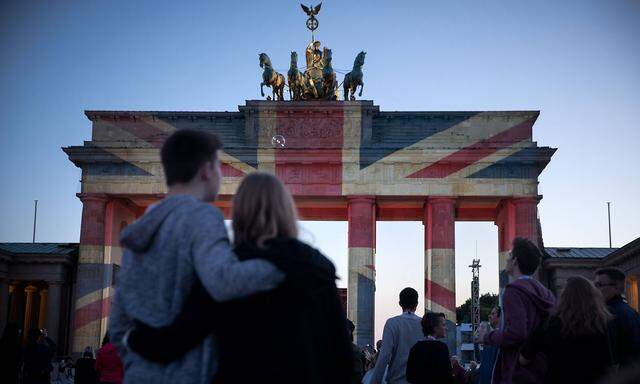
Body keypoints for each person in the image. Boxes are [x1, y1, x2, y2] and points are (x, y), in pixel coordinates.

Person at [125, 172, 353, 384]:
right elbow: (340, 356)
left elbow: (175, 340)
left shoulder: (225, 268)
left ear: (240, 212)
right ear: (286, 211)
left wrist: (130, 335)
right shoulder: (317, 268)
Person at [108, 130, 284, 383]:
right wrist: (284, 263)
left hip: (139, 375)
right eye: (219, 167)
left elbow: (117, 325)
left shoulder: (142, 227)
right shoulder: (202, 216)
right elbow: (224, 281)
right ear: (206, 170)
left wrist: (142, 363)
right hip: (189, 375)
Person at [478, 238, 555, 384]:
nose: (506, 258)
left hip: (517, 371)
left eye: (509, 255)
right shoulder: (546, 293)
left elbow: (516, 333)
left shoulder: (513, 291)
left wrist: (487, 337)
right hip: (540, 369)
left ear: (515, 261)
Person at [519, 276, 615, 383]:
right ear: (593, 297)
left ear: (564, 297)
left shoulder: (551, 324)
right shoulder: (605, 324)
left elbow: (524, 359)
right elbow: (611, 363)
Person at [370, 287, 423, 384]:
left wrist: (375, 381)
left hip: (397, 380)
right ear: (417, 304)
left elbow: (384, 355)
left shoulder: (392, 323)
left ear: (400, 303)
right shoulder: (424, 324)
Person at [595, 267, 640, 365]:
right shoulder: (631, 311)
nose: (595, 289)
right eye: (595, 285)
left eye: (599, 285)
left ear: (616, 287)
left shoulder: (610, 314)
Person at [406, 312, 453, 384]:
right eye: (443, 325)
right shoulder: (441, 348)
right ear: (435, 327)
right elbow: (447, 376)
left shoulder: (415, 348)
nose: (445, 328)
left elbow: (409, 376)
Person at [477, 307, 500, 384]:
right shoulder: (488, 344)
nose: (489, 316)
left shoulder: (498, 339)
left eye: (493, 314)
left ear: (501, 317)